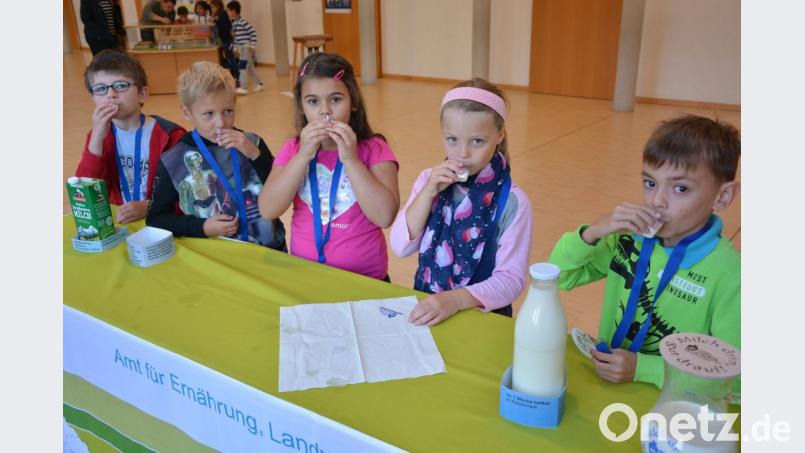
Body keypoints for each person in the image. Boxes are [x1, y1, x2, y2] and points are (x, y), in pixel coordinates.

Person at [548, 115, 741, 393]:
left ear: (722, 197)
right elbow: (559, 277)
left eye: (680, 188)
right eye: (650, 183)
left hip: (674, 406)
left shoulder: (732, 278)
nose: (657, 201)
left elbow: (737, 380)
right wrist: (593, 232)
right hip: (609, 387)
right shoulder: (628, 239)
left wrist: (644, 369)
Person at [389, 79, 533, 326]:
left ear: (499, 135)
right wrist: (427, 193)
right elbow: (400, 247)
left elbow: (510, 280)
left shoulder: (512, 202)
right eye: (452, 139)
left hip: (484, 322)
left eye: (477, 141)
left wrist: (454, 300)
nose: (463, 153)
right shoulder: (427, 179)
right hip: (427, 309)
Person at [258, 52, 399, 279]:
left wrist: (351, 160)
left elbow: (384, 216)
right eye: (313, 101)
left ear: (353, 101)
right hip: (309, 276)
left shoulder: (375, 149)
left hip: (366, 279)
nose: (325, 111)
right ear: (302, 106)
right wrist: (302, 156)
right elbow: (268, 209)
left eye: (335, 99)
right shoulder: (293, 149)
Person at [146, 62, 286, 251]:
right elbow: (156, 218)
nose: (221, 123)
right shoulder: (174, 160)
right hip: (217, 257)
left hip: (270, 250)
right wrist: (202, 227)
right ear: (187, 112)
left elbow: (281, 190)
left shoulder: (252, 142)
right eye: (208, 114)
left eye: (228, 111)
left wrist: (255, 154)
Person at [76, 50, 185, 224]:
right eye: (101, 89)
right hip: (119, 222)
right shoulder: (98, 137)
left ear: (142, 94)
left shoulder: (171, 136)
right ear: (93, 98)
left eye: (120, 85)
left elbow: (190, 196)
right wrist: (97, 137)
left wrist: (150, 206)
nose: (110, 94)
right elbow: (84, 192)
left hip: (162, 220)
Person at [226, 1, 263, 94]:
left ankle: (244, 87)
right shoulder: (235, 23)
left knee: (242, 66)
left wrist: (253, 45)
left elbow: (253, 33)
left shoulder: (243, 22)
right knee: (249, 67)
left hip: (245, 47)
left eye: (228, 11)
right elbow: (236, 38)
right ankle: (259, 83)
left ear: (233, 11)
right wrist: (234, 48)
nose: (228, 13)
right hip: (240, 48)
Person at [209, 0, 239, 84]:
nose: (212, 9)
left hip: (227, 40)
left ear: (217, 6)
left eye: (212, 7)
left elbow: (226, 26)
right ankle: (234, 78)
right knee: (229, 60)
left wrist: (216, 21)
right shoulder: (219, 14)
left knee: (231, 60)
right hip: (224, 40)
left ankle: (238, 77)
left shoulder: (222, 14)